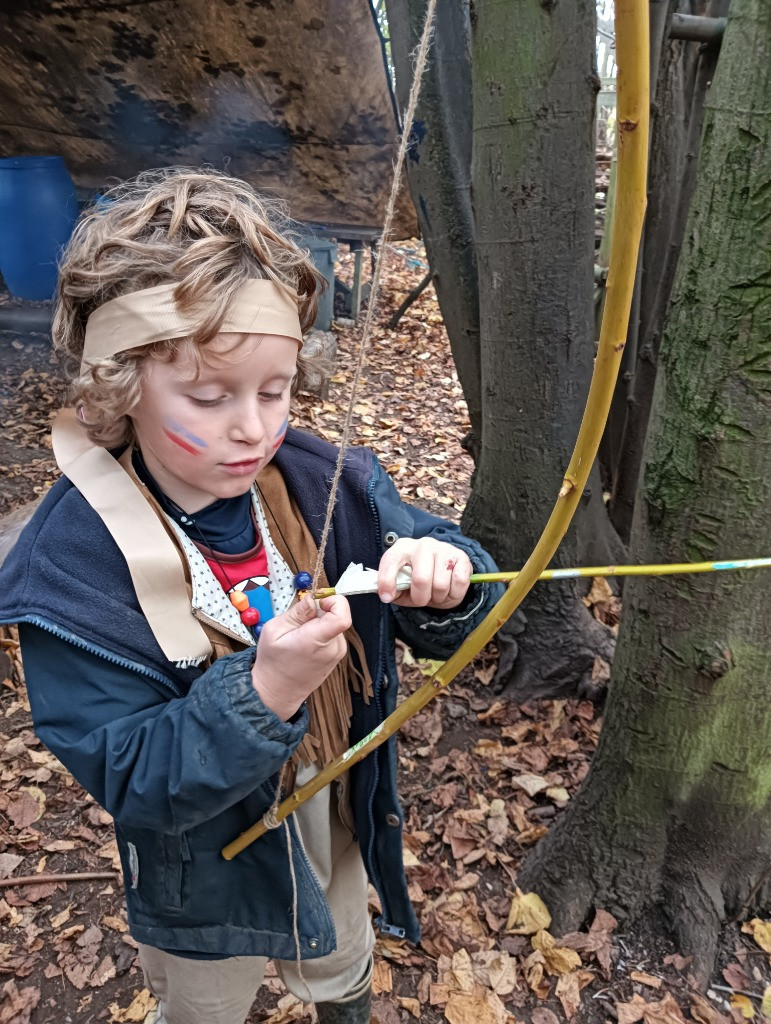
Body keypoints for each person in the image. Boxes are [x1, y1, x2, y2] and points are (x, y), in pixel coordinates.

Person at [0, 169, 503, 1024]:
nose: (253, 427)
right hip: (200, 863)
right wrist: (265, 691)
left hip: (331, 801)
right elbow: (133, 775)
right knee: (206, 1002)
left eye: (273, 391)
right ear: (120, 385)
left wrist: (442, 575)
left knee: (343, 956)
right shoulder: (74, 566)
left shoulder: (317, 481)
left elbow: (465, 586)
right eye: (208, 396)